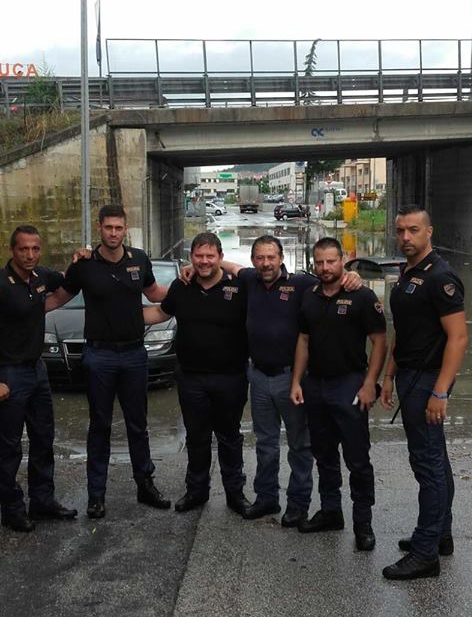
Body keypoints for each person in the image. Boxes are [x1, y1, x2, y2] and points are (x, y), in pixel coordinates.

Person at [209, 235, 363, 527]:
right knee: (265, 443)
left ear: (281, 259)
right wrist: (194, 267)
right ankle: (267, 497)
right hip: (258, 377)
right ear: (253, 261)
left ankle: (297, 504)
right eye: (260, 258)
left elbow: (331, 278)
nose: (266, 263)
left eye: (271, 257)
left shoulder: (301, 283)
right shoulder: (249, 279)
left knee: (299, 445)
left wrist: (352, 276)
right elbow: (229, 266)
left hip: (291, 378)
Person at [45, 204, 171, 519]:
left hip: (134, 354)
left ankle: (145, 485)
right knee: (99, 426)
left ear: (125, 229)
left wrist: (190, 286)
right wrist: (22, 310)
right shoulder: (84, 265)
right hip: (99, 356)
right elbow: (58, 297)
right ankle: (96, 495)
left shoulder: (139, 259)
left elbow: (155, 293)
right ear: (99, 228)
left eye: (118, 228)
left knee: (138, 424)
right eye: (108, 227)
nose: (113, 233)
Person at [380, 204, 468, 581]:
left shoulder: (440, 276)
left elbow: (458, 338)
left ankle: (425, 552)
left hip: (428, 380)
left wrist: (440, 391)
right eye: (400, 230)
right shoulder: (408, 273)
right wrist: (388, 375)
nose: (405, 237)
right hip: (409, 375)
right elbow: (403, 330)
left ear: (429, 232)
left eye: (413, 230)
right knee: (436, 459)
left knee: (427, 465)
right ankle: (440, 535)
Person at [143, 232, 252, 518]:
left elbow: (266, 279)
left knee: (230, 437)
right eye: (199, 256)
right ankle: (196, 491)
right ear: (191, 258)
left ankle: (235, 493)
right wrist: (119, 315)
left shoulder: (239, 287)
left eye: (210, 256)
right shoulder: (181, 286)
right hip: (191, 378)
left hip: (231, 377)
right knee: (196, 437)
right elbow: (161, 313)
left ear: (220, 257)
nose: (204, 261)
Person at [290, 237, 387, 549]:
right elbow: (303, 341)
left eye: (331, 261)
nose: (325, 267)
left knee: (357, 459)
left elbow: (380, 341)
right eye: (319, 262)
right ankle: (331, 511)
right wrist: (296, 381)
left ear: (343, 259)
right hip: (316, 385)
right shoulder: (309, 296)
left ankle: (363, 524)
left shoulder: (361, 296)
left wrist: (370, 383)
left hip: (350, 385)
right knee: (324, 454)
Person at [0, 225, 77, 533]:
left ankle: (42, 501)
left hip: (38, 370)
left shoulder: (41, 277)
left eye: (35, 249)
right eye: (23, 249)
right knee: (8, 448)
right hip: (9, 373)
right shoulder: (2, 284)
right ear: (12, 251)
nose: (30, 255)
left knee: (43, 439)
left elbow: (68, 280)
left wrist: (80, 260)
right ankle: (12, 510)